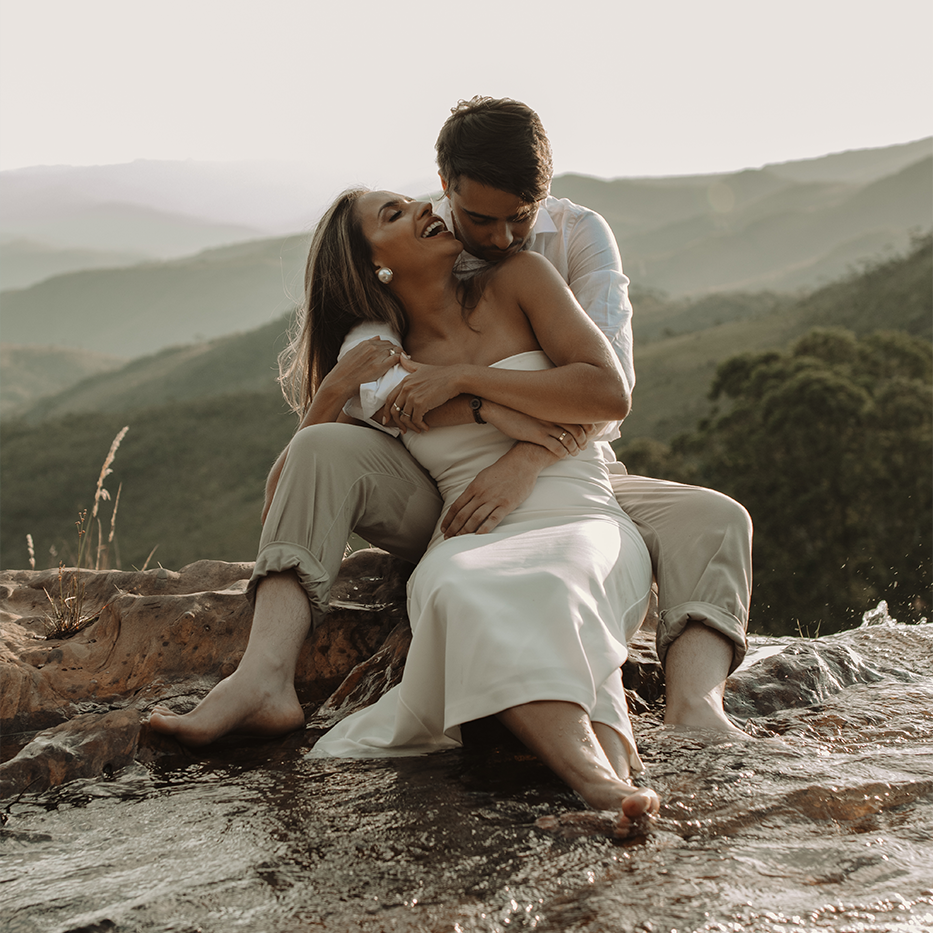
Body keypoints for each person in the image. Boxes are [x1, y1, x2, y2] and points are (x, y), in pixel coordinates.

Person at [150, 96, 751, 749]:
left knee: (716, 518)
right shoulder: (421, 248)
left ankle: (695, 705)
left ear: (542, 194)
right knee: (322, 447)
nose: (497, 238)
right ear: (444, 187)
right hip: (439, 486)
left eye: (519, 218)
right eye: (478, 217)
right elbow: (339, 438)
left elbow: (609, 390)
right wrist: (339, 396)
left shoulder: (576, 237)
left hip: (568, 468)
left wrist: (520, 458)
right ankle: (263, 675)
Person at [154, 186, 661, 830]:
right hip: (470, 530)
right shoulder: (379, 356)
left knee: (558, 583)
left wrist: (469, 384)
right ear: (375, 267)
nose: (425, 208)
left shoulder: (521, 278)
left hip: (577, 512)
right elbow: (296, 479)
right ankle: (609, 788)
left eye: (413, 203)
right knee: (463, 586)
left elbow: (606, 391)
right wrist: (338, 388)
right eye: (394, 214)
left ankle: (602, 783)